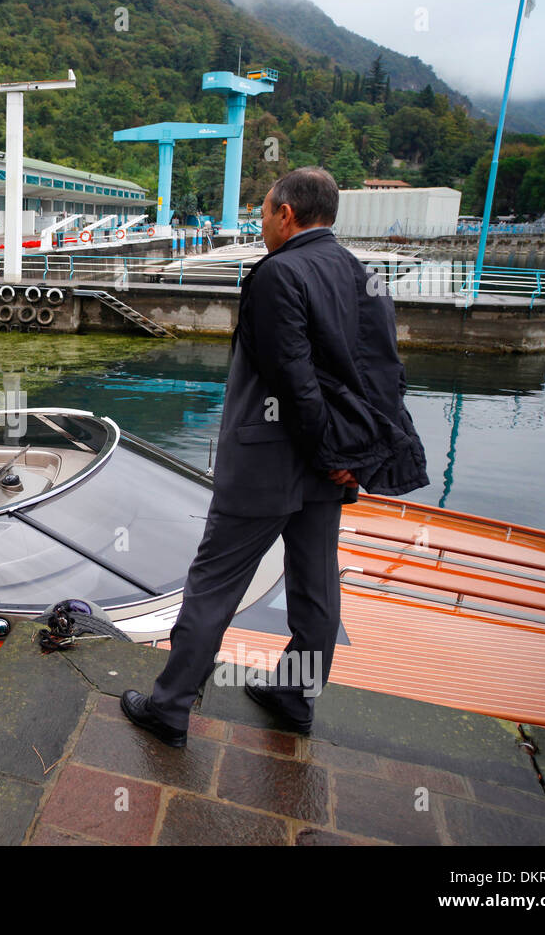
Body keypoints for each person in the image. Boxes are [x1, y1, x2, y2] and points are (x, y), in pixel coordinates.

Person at [122, 166, 428, 746]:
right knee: (315, 584)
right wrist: (352, 458)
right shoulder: (365, 276)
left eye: (263, 211)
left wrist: (330, 451)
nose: (261, 223)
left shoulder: (276, 275)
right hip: (328, 469)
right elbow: (386, 377)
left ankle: (170, 707)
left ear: (286, 213)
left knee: (215, 582)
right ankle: (294, 696)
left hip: (268, 463)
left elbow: (293, 381)